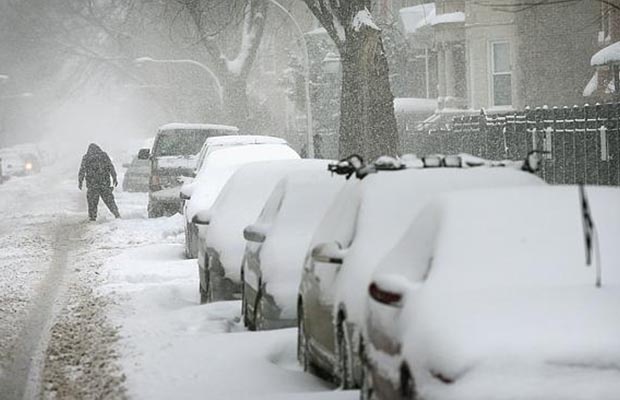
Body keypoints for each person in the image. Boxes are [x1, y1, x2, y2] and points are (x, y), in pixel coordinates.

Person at [78, 143, 121, 221]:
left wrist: (80, 181)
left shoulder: (87, 157)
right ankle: (116, 214)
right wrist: (114, 177)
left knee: (92, 202)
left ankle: (92, 217)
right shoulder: (103, 156)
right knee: (109, 201)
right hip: (104, 183)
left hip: (92, 184)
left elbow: (82, 170)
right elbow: (110, 166)